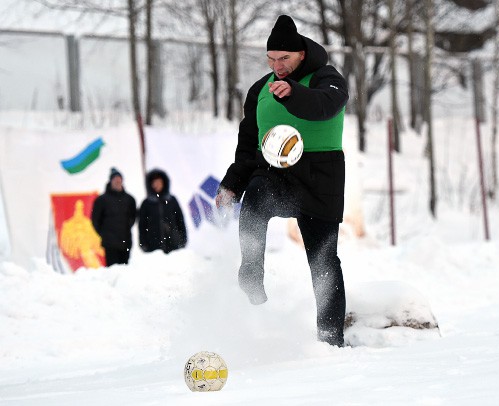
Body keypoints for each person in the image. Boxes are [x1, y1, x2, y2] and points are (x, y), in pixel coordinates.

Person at [215, 15, 349, 347]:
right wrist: (233, 183)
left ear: (301, 54)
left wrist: (292, 93)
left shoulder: (327, 78)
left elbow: (324, 106)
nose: (277, 65)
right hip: (275, 173)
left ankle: (331, 339)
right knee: (255, 201)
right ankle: (251, 285)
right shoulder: (260, 89)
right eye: (272, 59)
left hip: (321, 178)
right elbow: (248, 145)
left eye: (284, 59)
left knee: (323, 260)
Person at [92, 167, 137, 266]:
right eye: (115, 179)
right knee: (113, 271)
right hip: (110, 244)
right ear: (111, 181)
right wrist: (105, 234)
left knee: (125, 271)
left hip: (126, 242)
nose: (117, 181)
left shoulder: (130, 199)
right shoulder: (101, 200)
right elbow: (95, 220)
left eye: (119, 179)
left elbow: (133, 218)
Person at [138, 168, 187, 254]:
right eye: (154, 182)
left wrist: (183, 239)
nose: (157, 184)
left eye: (159, 182)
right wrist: (143, 243)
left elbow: (180, 220)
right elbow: (142, 225)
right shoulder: (146, 203)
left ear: (164, 183)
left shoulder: (172, 200)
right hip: (153, 248)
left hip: (173, 246)